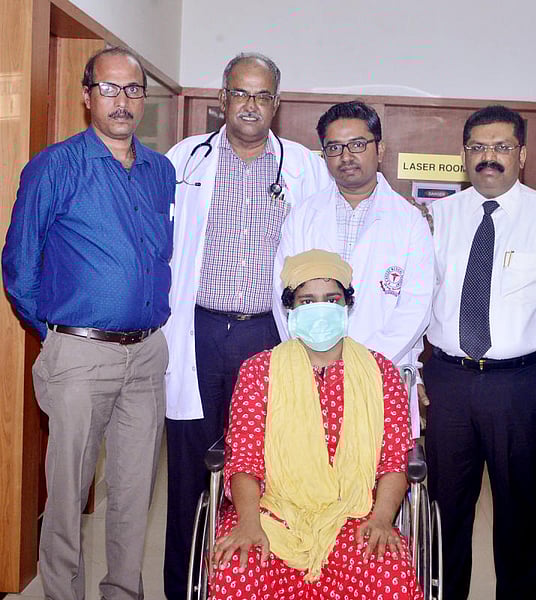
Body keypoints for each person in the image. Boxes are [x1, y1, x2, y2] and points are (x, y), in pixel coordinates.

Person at [2, 47, 173, 600]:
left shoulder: (160, 171)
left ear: (143, 98)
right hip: (79, 354)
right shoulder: (54, 166)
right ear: (87, 95)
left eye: (132, 91)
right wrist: (57, 333)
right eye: (110, 89)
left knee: (133, 491)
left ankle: (123, 592)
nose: (122, 102)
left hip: (147, 356)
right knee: (69, 493)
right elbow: (19, 266)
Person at [162, 52, 330, 599]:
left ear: (277, 105)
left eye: (262, 96)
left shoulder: (303, 166)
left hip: (268, 335)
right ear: (222, 100)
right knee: (189, 468)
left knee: (262, 466)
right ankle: (184, 586)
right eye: (240, 93)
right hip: (200, 332)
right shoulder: (186, 158)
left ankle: (252, 582)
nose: (250, 105)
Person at [423, 104, 536, 600]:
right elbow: (419, 299)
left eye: (502, 147)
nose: (489, 158)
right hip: (448, 382)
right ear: (464, 155)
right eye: (478, 148)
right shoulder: (437, 218)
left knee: (519, 512)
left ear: (523, 154)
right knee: (446, 509)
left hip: (520, 384)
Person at [209, 249, 422, 600]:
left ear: (346, 305)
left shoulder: (381, 373)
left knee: (389, 575)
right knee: (237, 570)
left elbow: (393, 462)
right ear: (290, 308)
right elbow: (244, 461)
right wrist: (249, 523)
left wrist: (383, 519)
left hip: (355, 513)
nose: (320, 308)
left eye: (331, 298)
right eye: (307, 300)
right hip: (271, 510)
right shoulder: (259, 371)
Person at [274, 100, 433, 434]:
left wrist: (364, 363)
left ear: (381, 149)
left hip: (383, 369)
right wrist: (317, 356)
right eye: (334, 147)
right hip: (310, 367)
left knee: (380, 473)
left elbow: (416, 307)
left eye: (358, 144)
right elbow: (283, 295)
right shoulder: (303, 217)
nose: (346, 156)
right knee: (313, 471)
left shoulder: (409, 221)